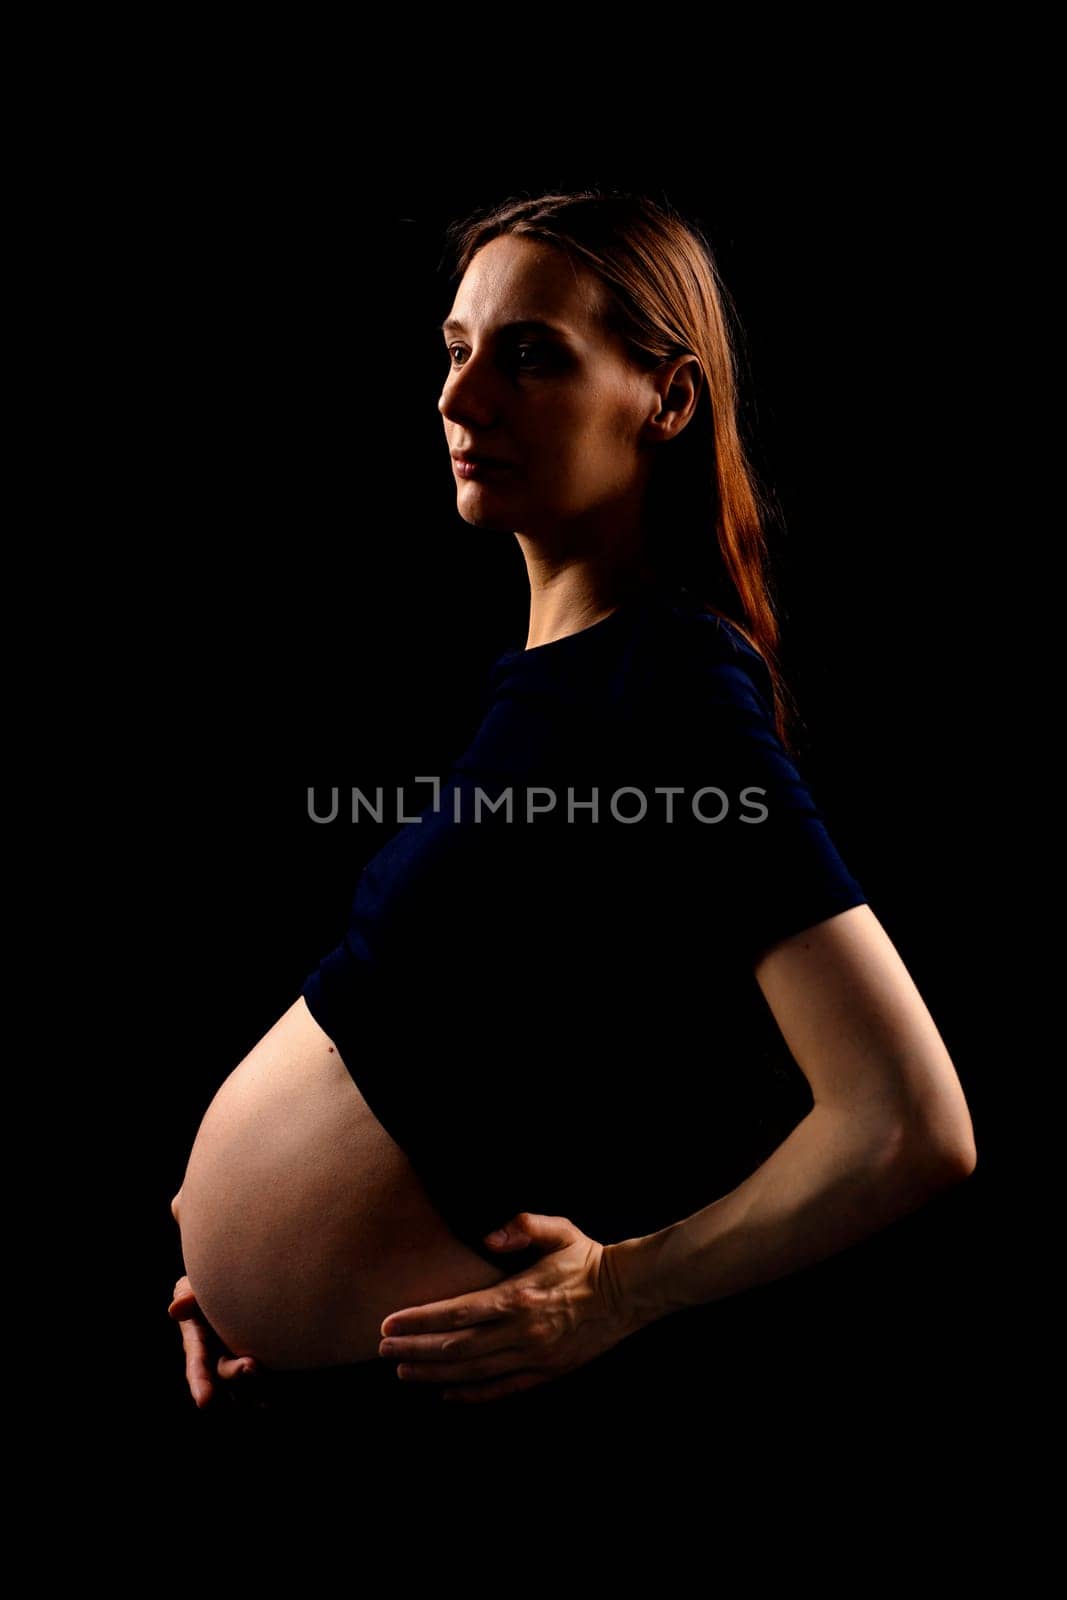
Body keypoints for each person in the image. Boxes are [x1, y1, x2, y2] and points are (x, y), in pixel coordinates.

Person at [168, 188, 977, 1419]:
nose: (460, 397)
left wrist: (614, 1290)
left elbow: (906, 1122)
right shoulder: (566, 678)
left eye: (532, 354)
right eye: (455, 349)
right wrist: (236, 1275)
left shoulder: (664, 685)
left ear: (665, 399)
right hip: (296, 1374)